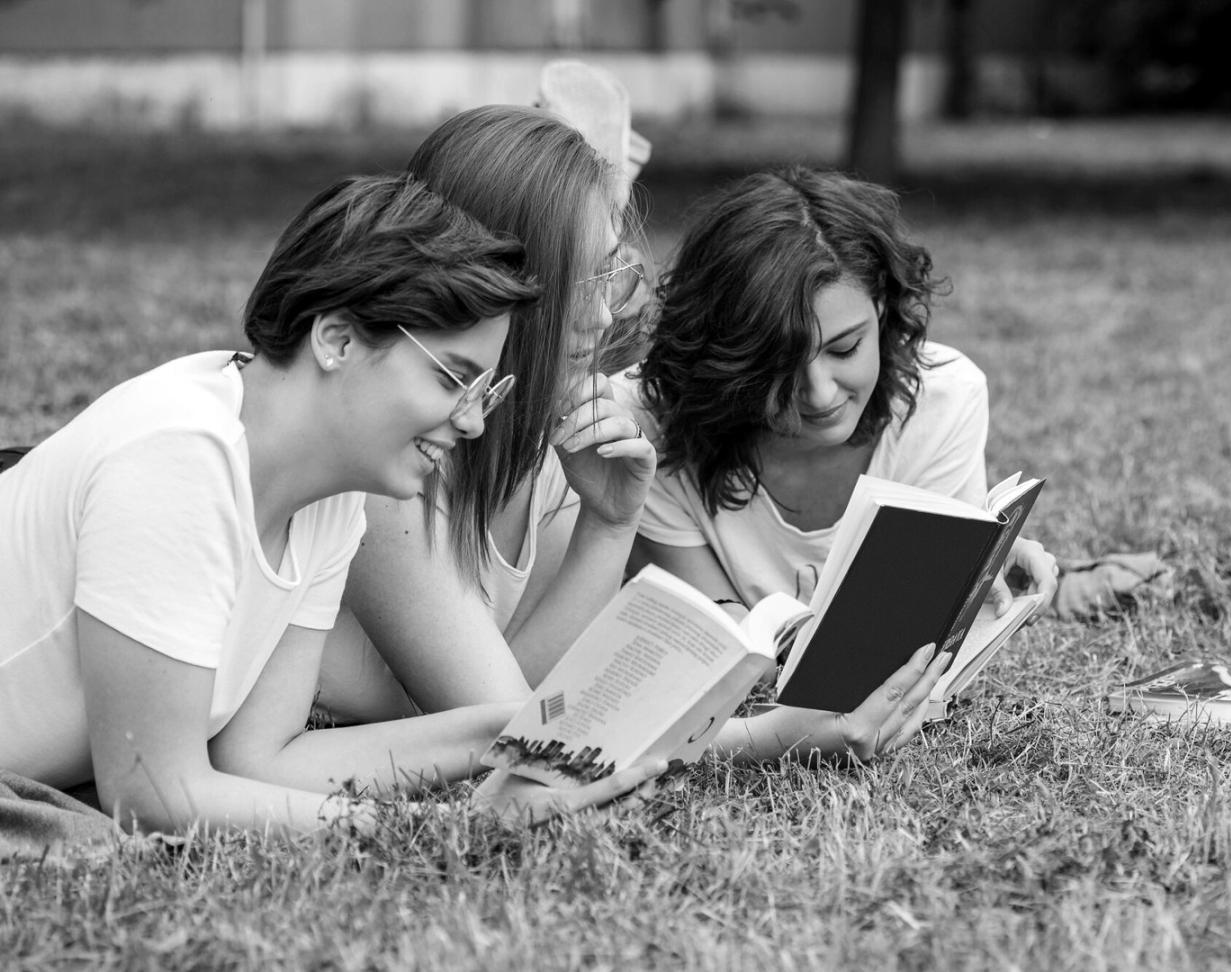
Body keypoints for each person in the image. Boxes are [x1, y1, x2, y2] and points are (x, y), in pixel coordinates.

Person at [0, 173, 664, 837]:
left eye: (483, 393)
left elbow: (263, 758)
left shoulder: (332, 495)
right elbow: (152, 791)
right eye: (453, 379)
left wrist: (507, 734)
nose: (472, 424)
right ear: (337, 339)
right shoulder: (182, 453)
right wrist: (444, 830)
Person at [316, 107, 951, 765]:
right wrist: (772, 737)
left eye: (608, 274)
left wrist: (610, 524)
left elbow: (536, 692)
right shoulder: (389, 468)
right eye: (575, 283)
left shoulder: (568, 437)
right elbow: (515, 740)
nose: (598, 313)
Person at [620, 166, 1060, 703]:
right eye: (778, 364)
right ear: (724, 356)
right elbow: (721, 639)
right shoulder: (649, 419)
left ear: (881, 306)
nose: (820, 394)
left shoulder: (944, 400)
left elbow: (926, 638)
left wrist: (973, 578)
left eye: (845, 349)